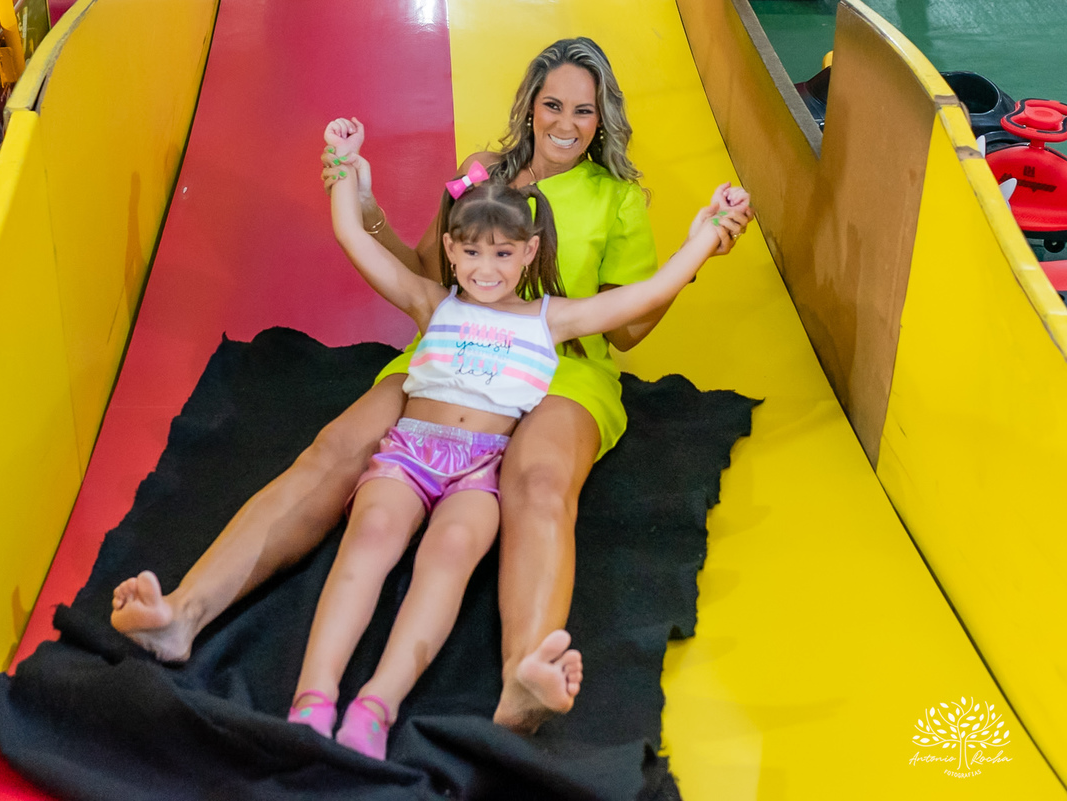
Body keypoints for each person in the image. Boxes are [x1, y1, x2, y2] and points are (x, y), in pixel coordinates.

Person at [111, 37, 753, 734]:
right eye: (553, 105)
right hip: (451, 350)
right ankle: (184, 612)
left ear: (603, 121)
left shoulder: (617, 199)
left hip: (559, 357)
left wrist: (698, 253)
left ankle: (523, 679)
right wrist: (363, 202)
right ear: (530, 105)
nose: (566, 124)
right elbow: (424, 275)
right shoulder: (478, 174)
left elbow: (627, 328)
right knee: (334, 450)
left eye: (584, 112)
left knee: (537, 482)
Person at [285, 119, 748, 760]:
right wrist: (343, 163)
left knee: (446, 561)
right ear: (451, 250)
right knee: (369, 540)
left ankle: (376, 706)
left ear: (530, 253)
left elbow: (647, 293)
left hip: (480, 472)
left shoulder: (550, 321)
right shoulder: (432, 304)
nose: (486, 268)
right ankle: (314, 698)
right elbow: (351, 238)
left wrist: (704, 237)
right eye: (471, 253)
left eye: (504, 254)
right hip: (410, 452)